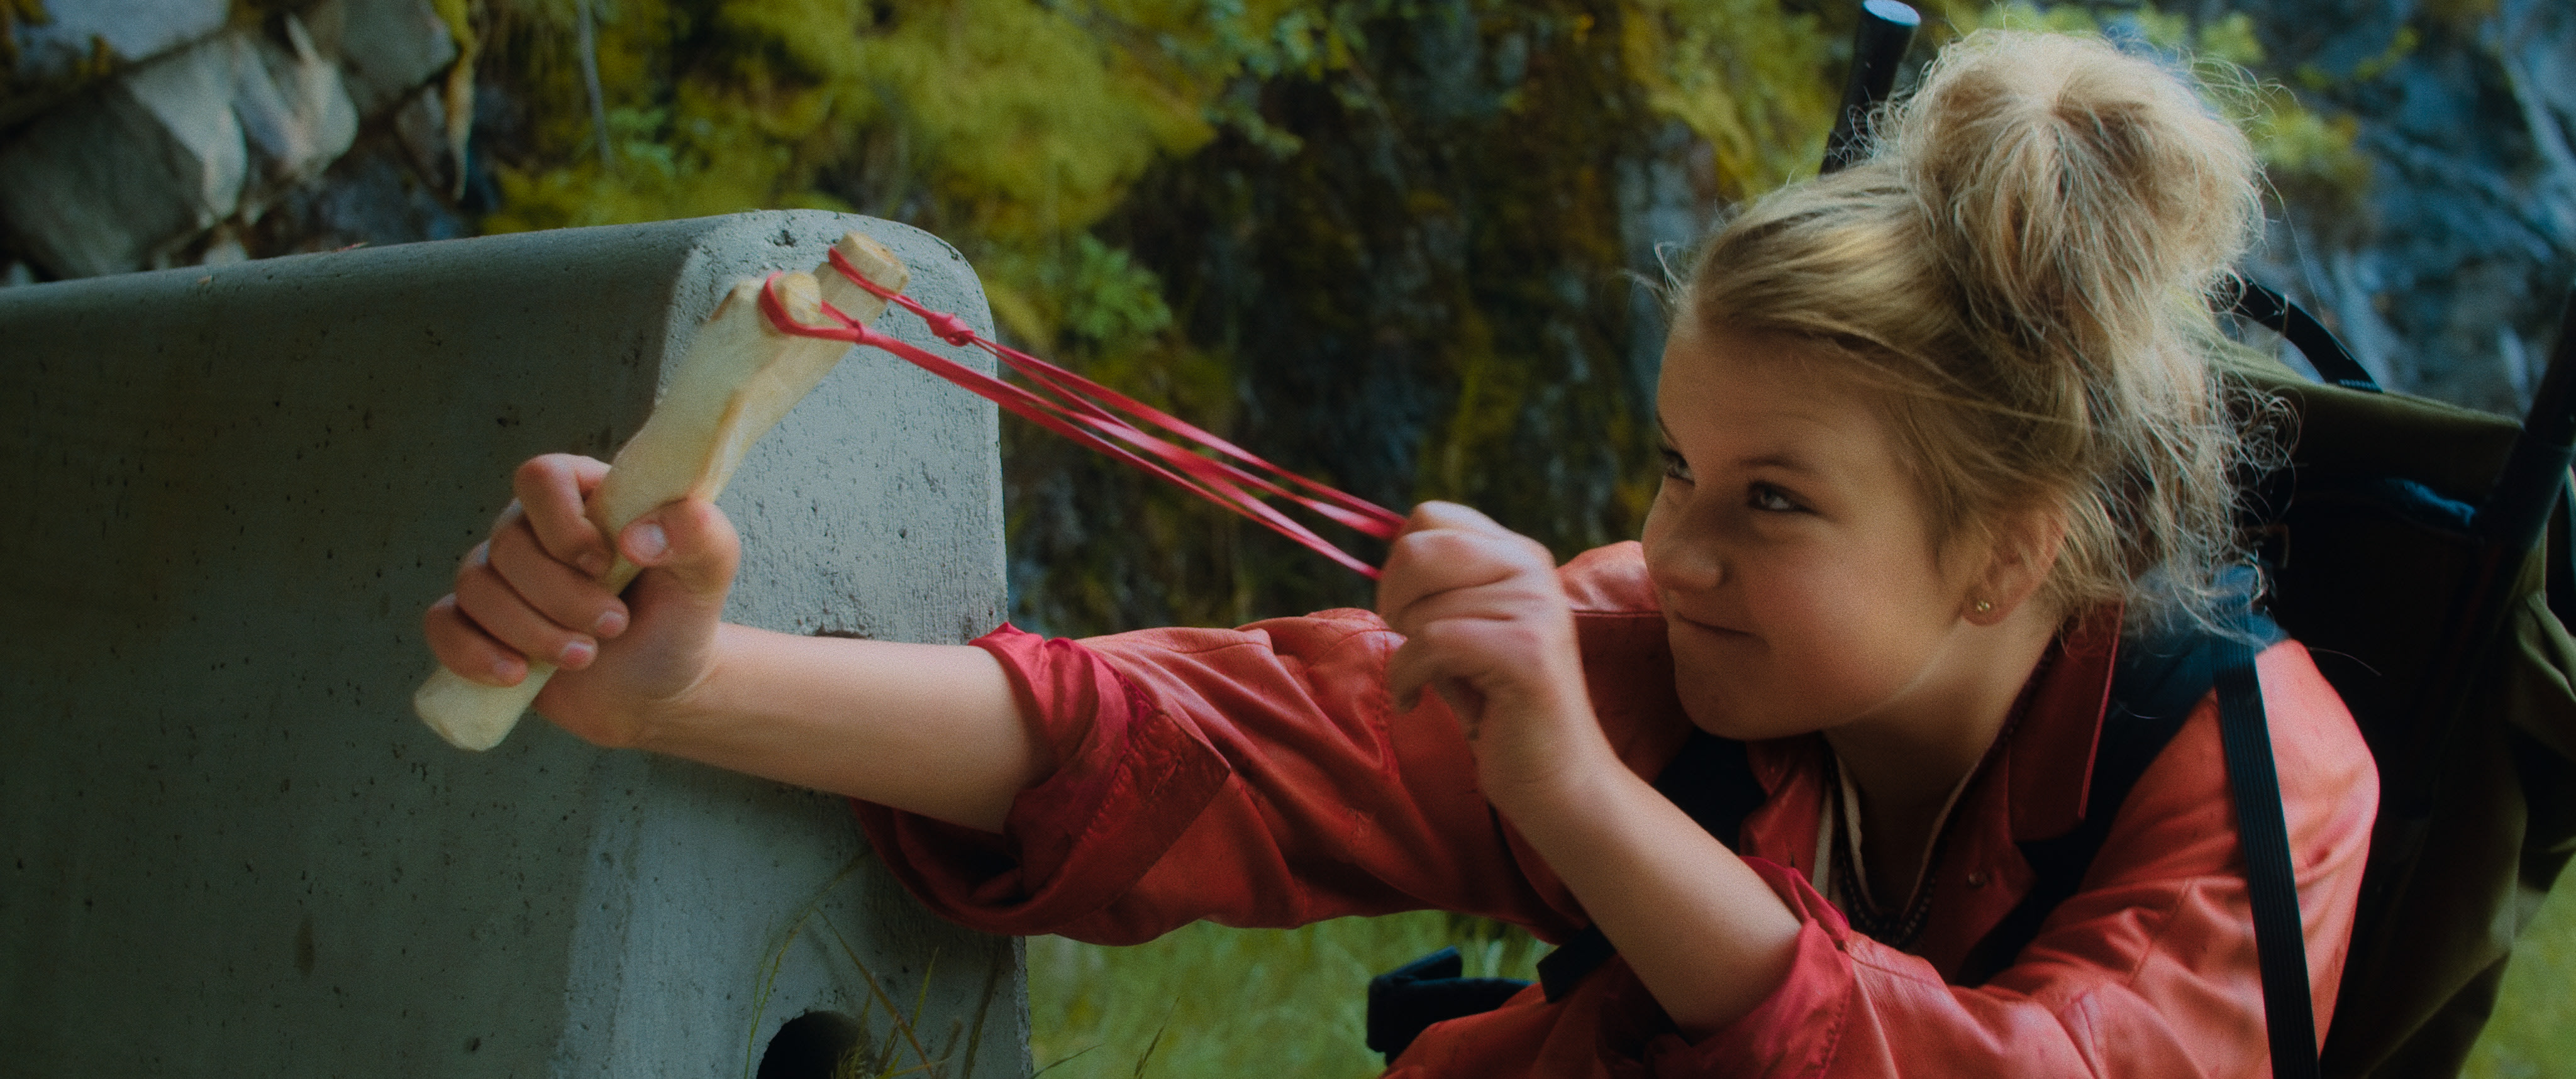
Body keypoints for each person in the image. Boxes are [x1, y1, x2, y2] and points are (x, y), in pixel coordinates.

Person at [422, 28, 2376, 1078]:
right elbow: (1223, 742)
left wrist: (1589, 807)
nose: (1670, 548)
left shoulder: (2259, 777)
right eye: (1675, 467)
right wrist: (683, 680)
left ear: (2003, 550)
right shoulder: (1683, 645)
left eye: (1771, 499)